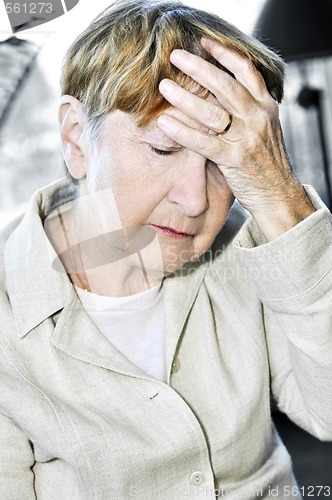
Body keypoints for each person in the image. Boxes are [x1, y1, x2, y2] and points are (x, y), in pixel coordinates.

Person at [0, 0, 331, 498]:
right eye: (163, 149)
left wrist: (278, 195)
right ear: (75, 139)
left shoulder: (253, 245)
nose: (196, 200)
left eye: (223, 161)